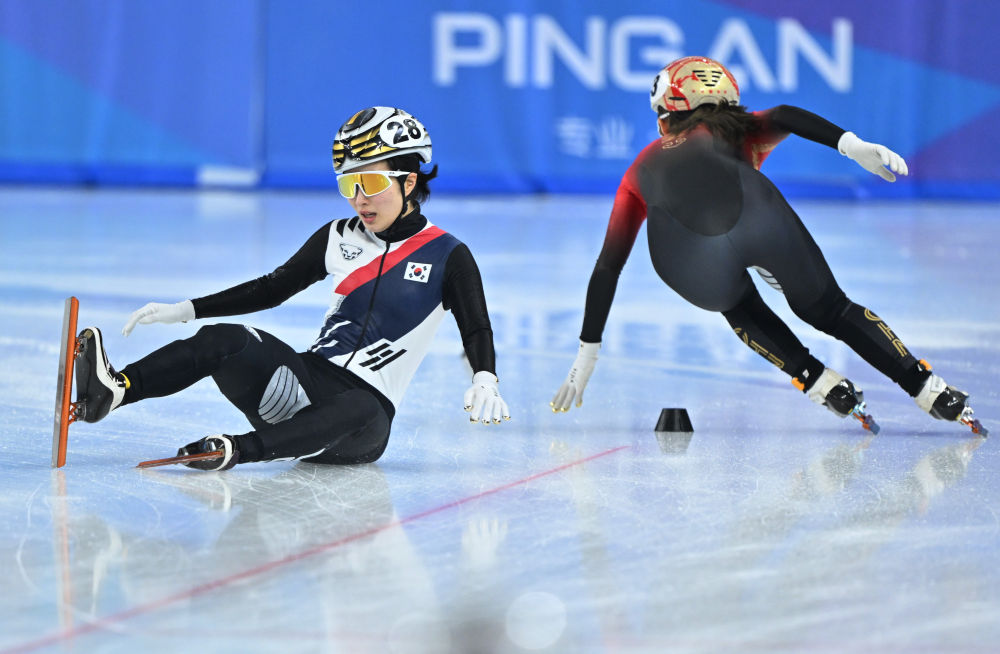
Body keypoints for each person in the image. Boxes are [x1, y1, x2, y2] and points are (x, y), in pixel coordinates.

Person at [551, 56, 982, 433]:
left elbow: (608, 266)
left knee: (737, 303)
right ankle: (928, 389)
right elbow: (785, 115)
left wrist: (588, 351)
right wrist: (851, 145)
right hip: (758, 217)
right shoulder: (739, 128)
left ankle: (820, 382)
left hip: (685, 260)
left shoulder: (637, 169)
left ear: (667, 115)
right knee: (830, 309)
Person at [74, 106, 511, 471]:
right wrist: (186, 309)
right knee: (225, 338)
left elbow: (476, 326)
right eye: (348, 184)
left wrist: (485, 379)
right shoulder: (338, 235)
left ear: (409, 181)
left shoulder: (448, 254)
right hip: (304, 385)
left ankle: (236, 450)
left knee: (360, 405)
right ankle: (115, 389)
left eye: (373, 183)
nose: (359, 198)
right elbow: (272, 288)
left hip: (364, 425)